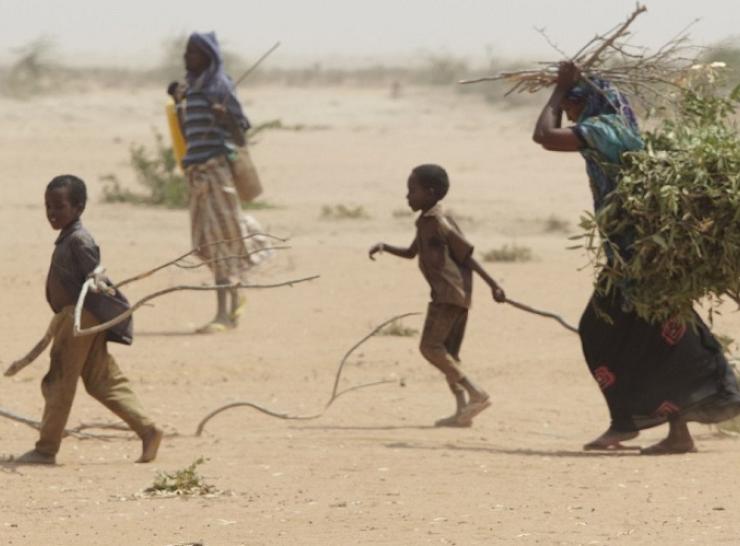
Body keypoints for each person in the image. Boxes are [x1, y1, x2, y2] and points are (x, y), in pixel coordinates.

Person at [533, 62, 740, 454]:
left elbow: (543, 135)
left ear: (584, 102)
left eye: (573, 107)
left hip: (636, 256)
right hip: (633, 252)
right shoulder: (612, 127)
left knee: (603, 330)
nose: (570, 115)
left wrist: (559, 90)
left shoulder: (605, 129)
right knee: (664, 337)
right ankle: (670, 429)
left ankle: (629, 423)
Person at [7, 175, 162, 465]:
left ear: (79, 207)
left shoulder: (79, 239)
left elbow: (95, 275)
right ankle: (147, 429)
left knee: (59, 382)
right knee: (102, 380)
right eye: (48, 206)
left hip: (78, 320)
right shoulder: (70, 237)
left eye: (59, 207)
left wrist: (97, 281)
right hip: (81, 320)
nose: (52, 213)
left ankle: (46, 449)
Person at [369, 164, 506, 427]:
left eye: (412, 191)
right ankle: (462, 411)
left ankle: (476, 393)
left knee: (430, 347)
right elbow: (412, 253)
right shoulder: (425, 221)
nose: (407, 196)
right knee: (449, 354)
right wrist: (385, 246)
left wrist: (494, 285)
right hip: (451, 295)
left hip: (448, 295)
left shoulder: (439, 222)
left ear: (430, 193)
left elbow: (467, 256)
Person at [170, 31, 269, 333]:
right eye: (187, 52)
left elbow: (240, 136)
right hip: (197, 174)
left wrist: (225, 117)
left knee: (220, 240)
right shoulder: (192, 90)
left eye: (195, 53)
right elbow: (188, 137)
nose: (188, 58)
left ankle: (223, 314)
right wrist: (178, 102)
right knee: (204, 243)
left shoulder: (220, 87)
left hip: (217, 173)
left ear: (209, 56)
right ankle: (235, 298)